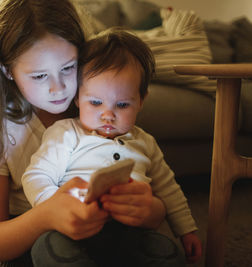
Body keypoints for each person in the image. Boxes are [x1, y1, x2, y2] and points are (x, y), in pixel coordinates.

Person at [0, 0, 174, 265]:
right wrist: (46, 216)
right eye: (39, 76)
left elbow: (155, 209)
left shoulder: (99, 107)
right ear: (7, 70)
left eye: (68, 68)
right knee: (53, 252)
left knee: (163, 251)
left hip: (108, 232)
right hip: (37, 242)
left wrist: (150, 210)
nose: (58, 88)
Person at [22, 27, 202, 266]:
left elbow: (168, 188)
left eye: (122, 105)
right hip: (75, 230)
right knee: (49, 249)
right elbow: (36, 176)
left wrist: (186, 230)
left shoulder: (145, 142)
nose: (108, 115)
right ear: (78, 98)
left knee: (167, 253)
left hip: (131, 233)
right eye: (95, 102)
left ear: (141, 101)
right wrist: (56, 207)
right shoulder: (66, 133)